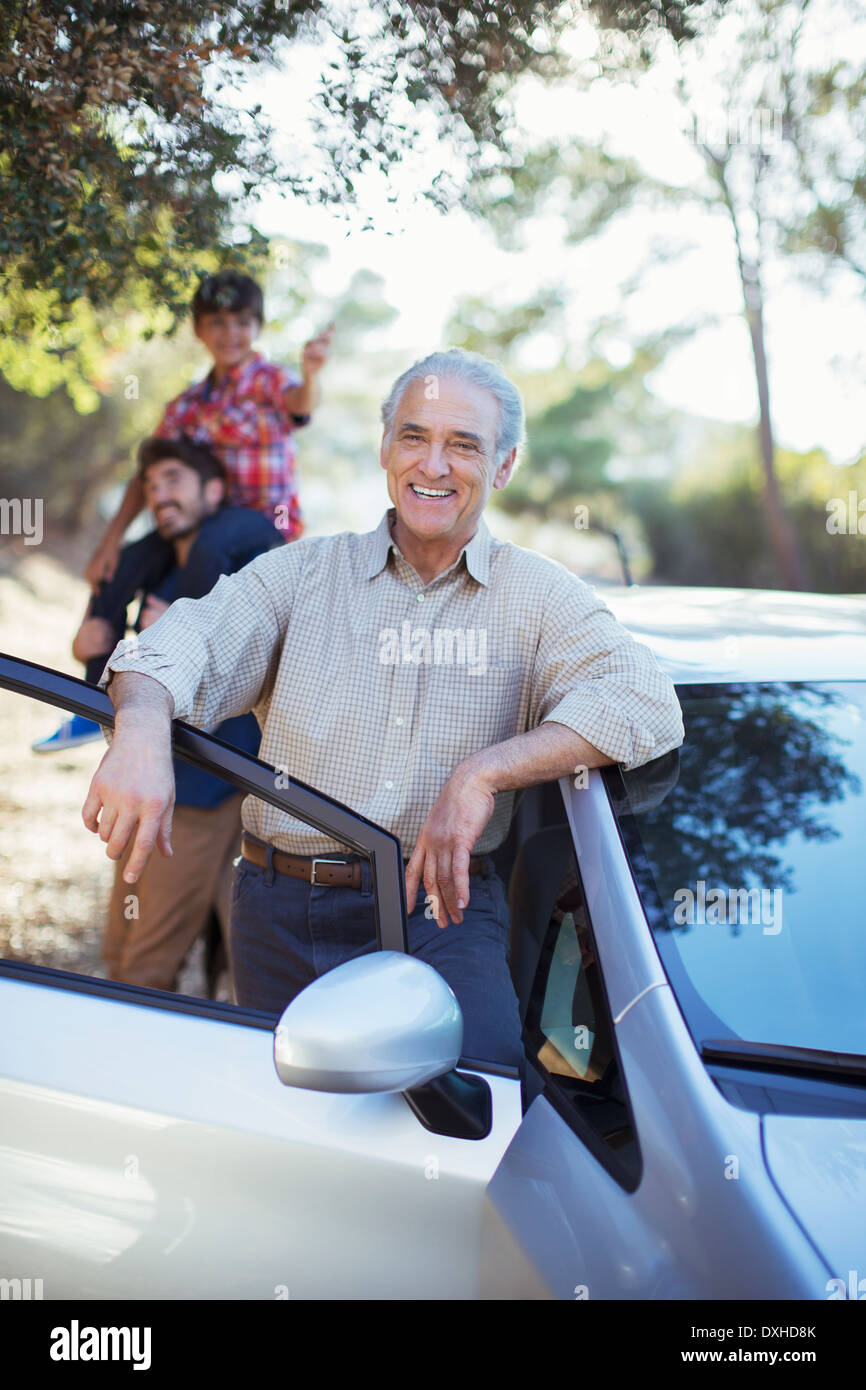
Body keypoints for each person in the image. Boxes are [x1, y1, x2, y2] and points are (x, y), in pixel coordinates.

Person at [82, 348, 684, 1066]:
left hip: (443, 913)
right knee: (287, 1139)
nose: (433, 465)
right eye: (414, 436)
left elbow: (643, 700)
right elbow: (177, 645)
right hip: (276, 911)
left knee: (481, 1114)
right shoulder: (301, 573)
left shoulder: (541, 596)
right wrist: (143, 732)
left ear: (504, 467)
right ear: (384, 449)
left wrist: (483, 774)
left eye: (463, 445)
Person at [33, 269, 333, 752]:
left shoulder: (269, 380)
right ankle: (92, 700)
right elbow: (145, 473)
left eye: (241, 322)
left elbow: (301, 402)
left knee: (211, 545)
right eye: (216, 322)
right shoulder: (189, 404)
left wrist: (314, 371)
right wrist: (109, 543)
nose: (229, 333)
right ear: (199, 331)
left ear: (257, 326)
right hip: (209, 520)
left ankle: (194, 682)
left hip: (262, 524)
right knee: (128, 562)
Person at [74, 434, 284, 992]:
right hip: (169, 784)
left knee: (206, 966)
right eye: (150, 485)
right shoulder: (156, 574)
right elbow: (104, 654)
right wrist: (105, 646)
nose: (159, 493)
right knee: (128, 953)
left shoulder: (249, 571)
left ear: (214, 491)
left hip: (220, 789)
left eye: (174, 481)